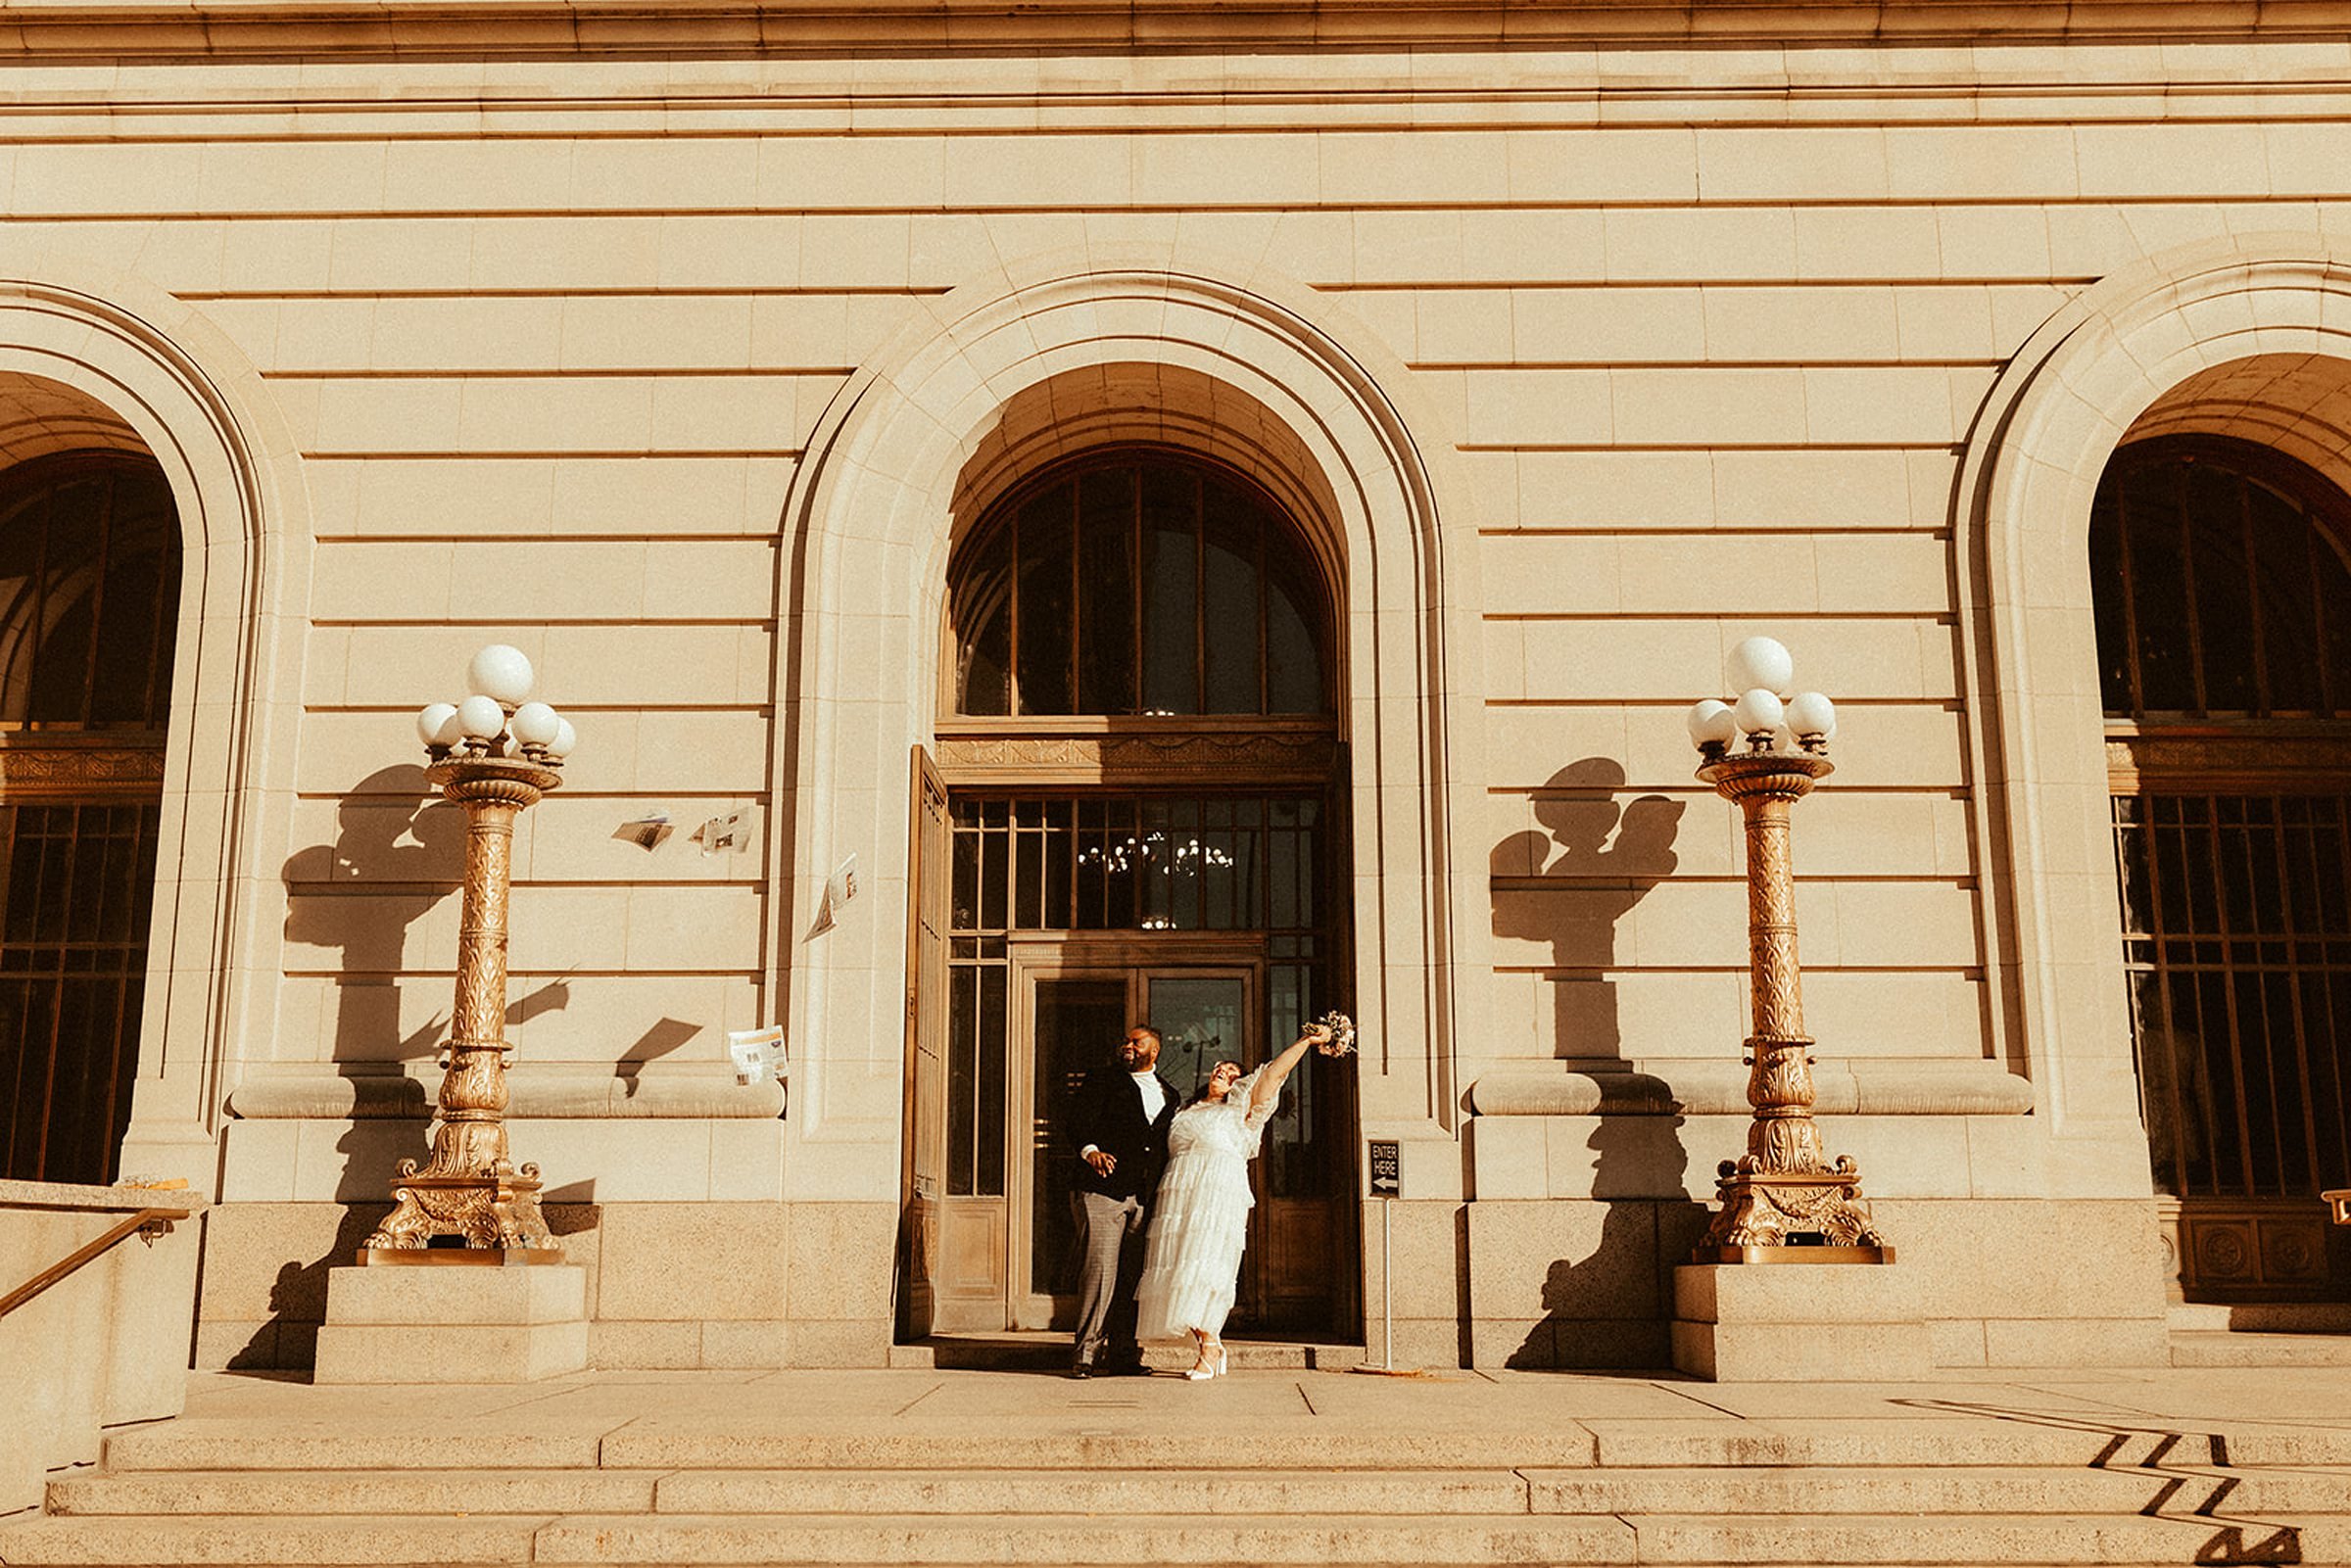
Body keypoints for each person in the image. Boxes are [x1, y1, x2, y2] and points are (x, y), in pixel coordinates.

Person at [1133, 1019, 1337, 1380]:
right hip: (1179, 1196)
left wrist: (1305, 1041)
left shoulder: (1242, 1110)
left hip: (1215, 1195)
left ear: (1238, 1083)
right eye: (1218, 1067)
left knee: (1205, 1266)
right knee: (1178, 1267)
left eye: (1231, 1072)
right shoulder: (1184, 1110)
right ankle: (1208, 1344)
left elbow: (1274, 1074)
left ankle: (1210, 1346)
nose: (1221, 1072)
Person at [1066, 1024, 1180, 1378]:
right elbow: (1076, 1122)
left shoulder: (1170, 1095)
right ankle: (1085, 1354)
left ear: (1154, 1051)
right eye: (1126, 1041)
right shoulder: (1102, 1080)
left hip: (1144, 1197)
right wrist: (1091, 1151)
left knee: (1132, 1278)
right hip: (1102, 1190)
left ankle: (1124, 1354)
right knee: (1100, 1272)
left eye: (1137, 1042)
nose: (1128, 1046)